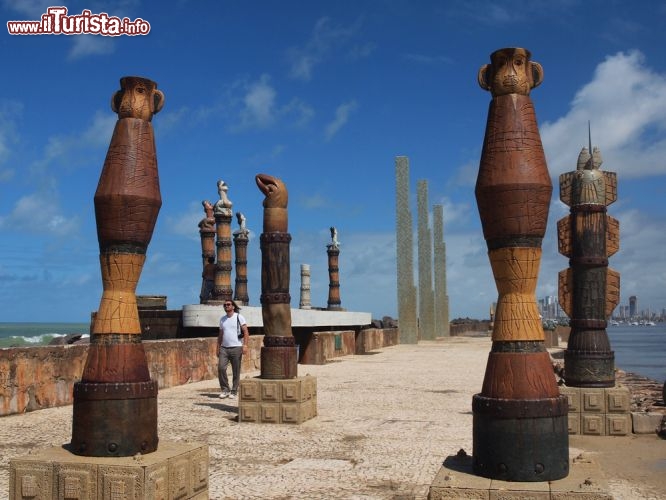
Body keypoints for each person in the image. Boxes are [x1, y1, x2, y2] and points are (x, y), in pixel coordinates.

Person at [217, 299, 249, 399]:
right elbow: (221, 334)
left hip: (236, 347)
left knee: (236, 370)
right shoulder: (222, 319)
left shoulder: (239, 317)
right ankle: (225, 389)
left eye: (228, 304)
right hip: (224, 348)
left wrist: (245, 345)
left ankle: (234, 391)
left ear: (233, 306)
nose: (226, 306)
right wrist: (217, 347)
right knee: (221, 368)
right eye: (225, 305)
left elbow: (246, 332)